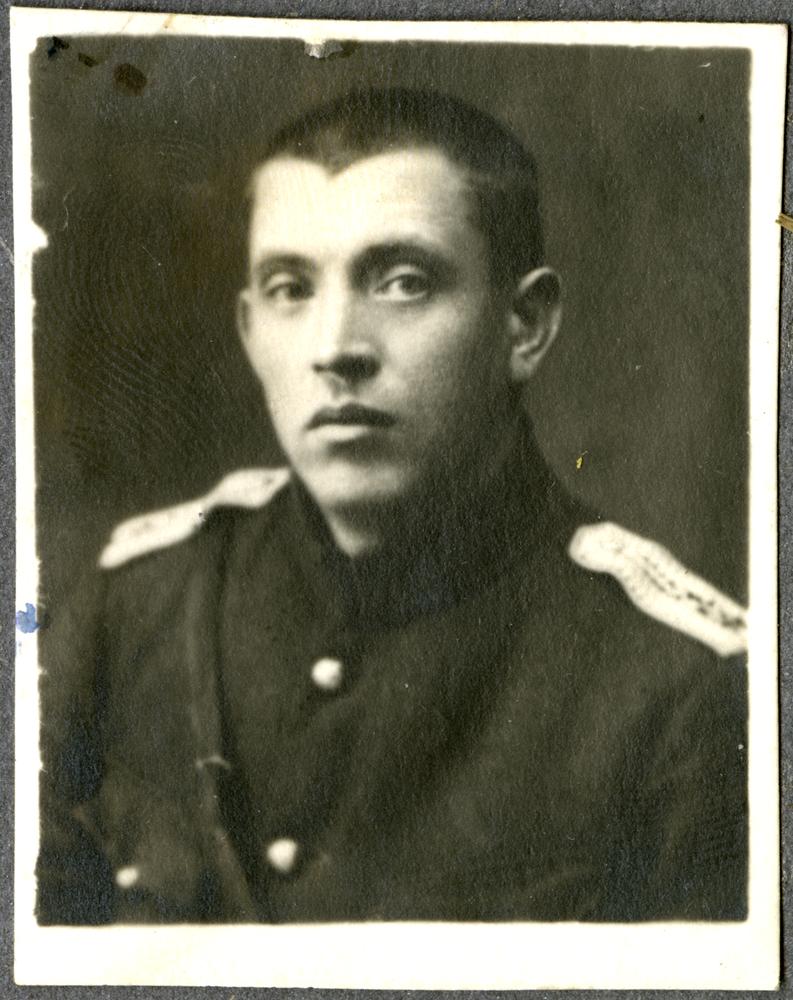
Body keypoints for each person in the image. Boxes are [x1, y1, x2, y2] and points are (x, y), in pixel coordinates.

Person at [37, 87, 748, 925]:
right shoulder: (131, 610)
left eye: (404, 282)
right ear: (250, 331)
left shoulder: (680, 692)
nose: (336, 348)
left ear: (524, 326)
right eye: (290, 288)